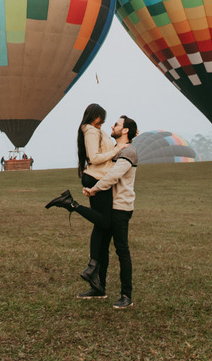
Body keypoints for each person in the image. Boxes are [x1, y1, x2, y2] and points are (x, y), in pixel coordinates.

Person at [46, 115, 139, 309]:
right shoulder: (116, 150)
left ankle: (126, 295)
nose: (111, 126)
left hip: (121, 207)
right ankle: (99, 287)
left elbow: (114, 175)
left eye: (116, 124)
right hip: (109, 205)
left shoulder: (129, 152)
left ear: (124, 131)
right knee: (103, 248)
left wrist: (94, 189)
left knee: (122, 250)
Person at [67, 104, 119, 297]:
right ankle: (72, 204)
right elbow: (94, 157)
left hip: (101, 178)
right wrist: (116, 150)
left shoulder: (95, 131)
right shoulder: (90, 131)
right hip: (96, 178)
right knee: (104, 222)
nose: (103, 122)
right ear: (94, 116)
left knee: (104, 228)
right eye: (101, 118)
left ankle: (98, 282)